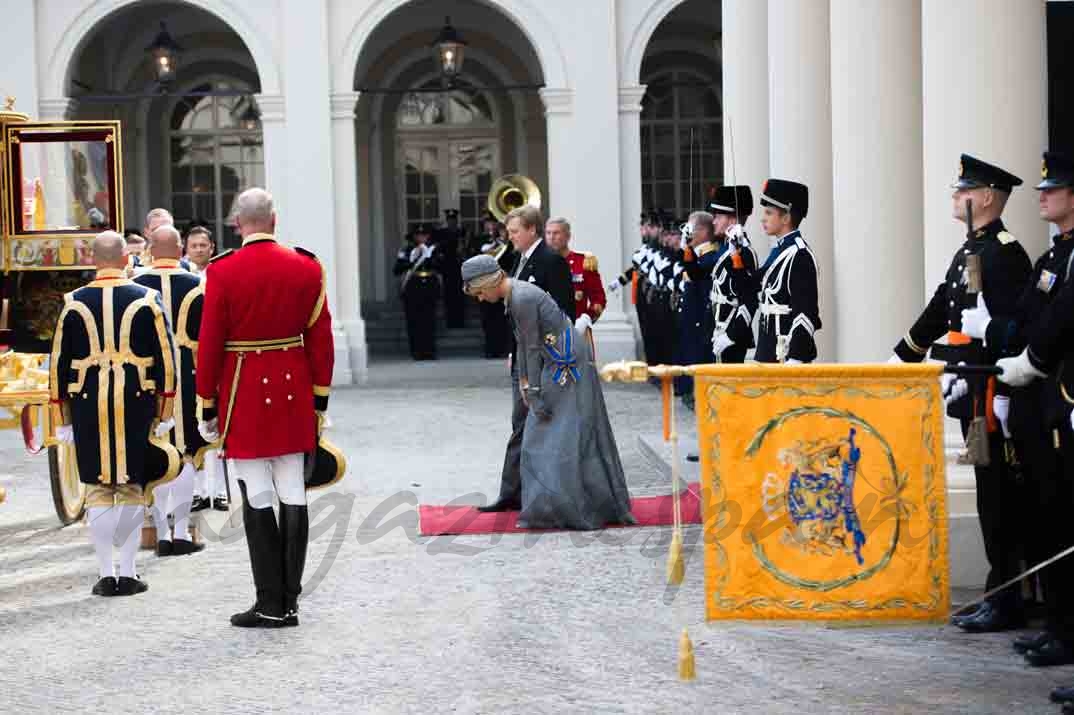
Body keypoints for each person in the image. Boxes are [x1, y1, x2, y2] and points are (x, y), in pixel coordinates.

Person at [891, 154, 1033, 632]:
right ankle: (1000, 591)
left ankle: (1009, 595)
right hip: (969, 391)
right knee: (987, 491)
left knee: (999, 497)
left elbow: (1018, 329)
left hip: (991, 397)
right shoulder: (971, 248)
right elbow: (941, 308)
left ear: (988, 198)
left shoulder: (1004, 253)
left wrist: (999, 386)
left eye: (964, 190)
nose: (956, 195)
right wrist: (904, 354)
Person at [196, 188, 334, 628]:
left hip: (243, 389)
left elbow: (211, 342)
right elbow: (321, 340)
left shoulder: (222, 271)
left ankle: (269, 600)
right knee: (293, 491)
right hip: (293, 387)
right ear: (274, 219)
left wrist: (206, 403)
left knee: (256, 496)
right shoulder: (307, 266)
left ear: (238, 223)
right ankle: (289, 601)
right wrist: (320, 400)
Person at [463, 254, 634, 529]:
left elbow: (530, 347)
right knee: (549, 434)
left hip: (565, 364)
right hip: (558, 359)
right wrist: (524, 384)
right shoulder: (515, 294)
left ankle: (562, 508)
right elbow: (523, 345)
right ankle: (555, 506)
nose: (481, 298)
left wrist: (532, 390)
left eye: (479, 292)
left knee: (555, 434)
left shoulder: (521, 297)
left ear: (489, 282)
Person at [49, 230, 177, 597]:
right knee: (131, 485)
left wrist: (63, 419)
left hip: (88, 403)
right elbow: (166, 362)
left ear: (93, 260)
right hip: (136, 401)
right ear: (125, 260)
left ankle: (106, 573)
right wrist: (165, 409)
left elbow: (58, 364)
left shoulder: (73, 302)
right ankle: (129, 570)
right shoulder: (148, 298)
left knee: (98, 488)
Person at [476, 205, 574, 513]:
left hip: (543, 358)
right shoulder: (519, 259)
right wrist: (512, 351)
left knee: (535, 423)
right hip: (523, 353)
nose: (511, 237)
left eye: (515, 231)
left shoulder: (551, 262)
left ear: (532, 229)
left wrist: (548, 359)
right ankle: (515, 492)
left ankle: (525, 493)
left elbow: (562, 313)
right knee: (520, 422)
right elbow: (514, 314)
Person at [133, 225, 210, 557]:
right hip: (189, 376)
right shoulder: (198, 286)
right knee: (188, 453)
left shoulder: (134, 286)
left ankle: (161, 532)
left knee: (157, 452)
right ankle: (180, 532)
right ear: (180, 249)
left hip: (150, 379)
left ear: (150, 249)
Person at [709, 186, 759, 364]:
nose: (713, 221)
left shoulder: (744, 252)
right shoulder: (726, 249)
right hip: (719, 328)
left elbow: (749, 300)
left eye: (718, 216)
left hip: (732, 334)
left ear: (732, 219)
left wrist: (731, 336)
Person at [393, 224, 442, 361]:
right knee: (414, 321)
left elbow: (440, 266)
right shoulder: (407, 250)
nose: (422, 238)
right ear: (414, 237)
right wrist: (412, 260)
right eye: (419, 235)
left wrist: (429, 257)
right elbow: (397, 269)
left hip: (429, 286)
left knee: (430, 321)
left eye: (424, 235)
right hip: (413, 286)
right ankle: (416, 351)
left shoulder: (433, 249)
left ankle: (429, 351)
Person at [476, 214, 513, 358]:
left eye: (507, 231)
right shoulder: (489, 246)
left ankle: (505, 348)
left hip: (504, 287)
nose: (505, 233)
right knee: (489, 319)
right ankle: (491, 349)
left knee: (504, 320)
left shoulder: (511, 248)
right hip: (488, 287)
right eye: (502, 230)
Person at [434, 208, 467, 328]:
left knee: (460, 296)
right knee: (448, 296)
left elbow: (465, 248)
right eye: (450, 220)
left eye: (453, 220)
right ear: (447, 221)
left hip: (460, 268)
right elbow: (437, 249)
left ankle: (460, 322)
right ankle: (450, 322)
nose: (452, 222)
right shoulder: (442, 233)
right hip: (447, 268)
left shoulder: (462, 231)